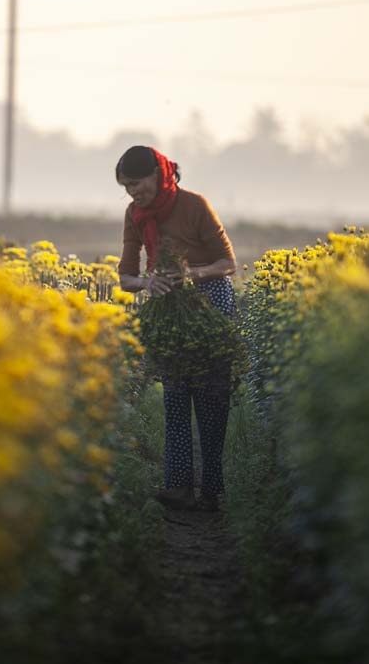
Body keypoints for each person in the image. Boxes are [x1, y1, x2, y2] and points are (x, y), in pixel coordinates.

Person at [114, 145, 237, 513]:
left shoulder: (195, 205)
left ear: (158, 173)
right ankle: (179, 487)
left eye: (137, 183)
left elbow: (228, 262)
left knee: (213, 399)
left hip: (210, 305)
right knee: (176, 397)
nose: (134, 192)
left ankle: (212, 491)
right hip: (168, 306)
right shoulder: (135, 215)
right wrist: (147, 283)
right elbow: (124, 276)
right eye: (126, 187)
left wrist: (191, 275)